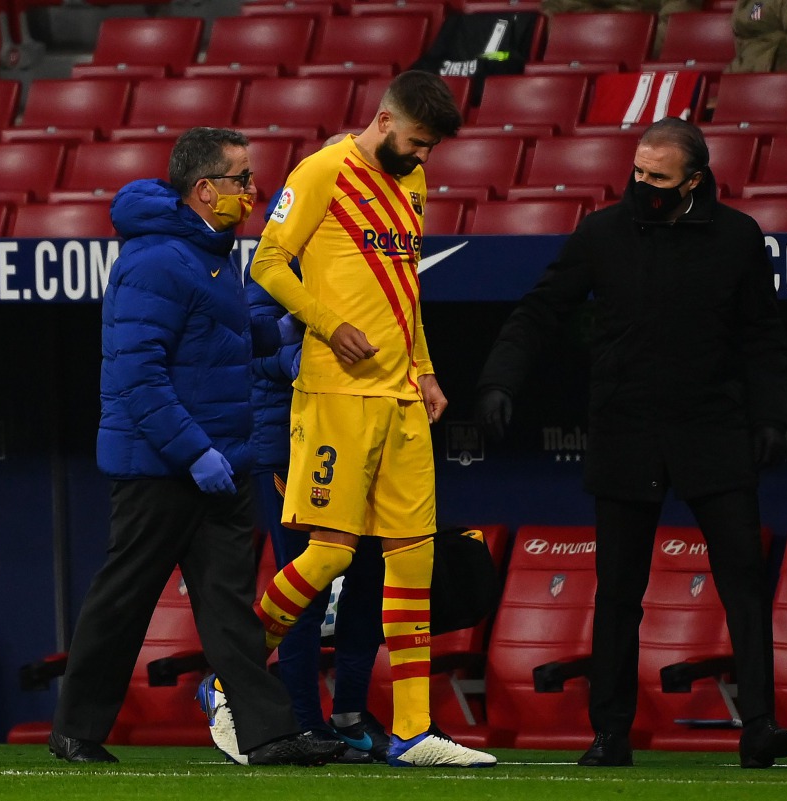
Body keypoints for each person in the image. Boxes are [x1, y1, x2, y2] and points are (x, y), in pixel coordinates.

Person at [474, 117, 787, 770]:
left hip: (713, 429)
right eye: (637, 172)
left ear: (693, 181)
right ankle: (610, 733)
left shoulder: (737, 237)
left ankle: (759, 724)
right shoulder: (601, 232)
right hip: (626, 429)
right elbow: (540, 310)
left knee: (743, 584)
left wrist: (772, 417)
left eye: (657, 177)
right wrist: (500, 378)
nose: (642, 185)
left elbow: (764, 335)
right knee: (618, 591)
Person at [47, 127, 343, 767]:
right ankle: (75, 730)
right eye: (241, 179)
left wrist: (283, 329)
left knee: (230, 609)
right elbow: (137, 375)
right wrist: (194, 454)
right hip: (163, 469)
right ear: (205, 190)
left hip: (221, 464)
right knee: (124, 598)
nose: (252, 190)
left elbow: (216, 343)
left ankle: (265, 733)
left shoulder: (210, 255)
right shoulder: (156, 260)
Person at [245, 70, 496, 768]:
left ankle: (413, 730)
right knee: (327, 554)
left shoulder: (411, 184)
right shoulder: (322, 170)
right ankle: (229, 677)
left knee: (411, 557)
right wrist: (324, 323)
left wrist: (424, 366)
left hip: (400, 399)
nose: (424, 159)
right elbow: (267, 262)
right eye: (417, 143)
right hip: (335, 394)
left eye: (432, 149)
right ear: (385, 122)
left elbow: (403, 287)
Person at [234, 136, 391, 763]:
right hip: (290, 443)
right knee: (305, 582)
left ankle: (350, 711)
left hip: (367, 436)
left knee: (369, 578)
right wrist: (305, 351)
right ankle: (297, 720)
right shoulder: (276, 258)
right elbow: (248, 347)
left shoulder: (371, 254)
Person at [539, 0, 705, 58]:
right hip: (581, 57)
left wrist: (626, 39)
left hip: (649, 58)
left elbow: (676, 24)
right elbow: (557, 13)